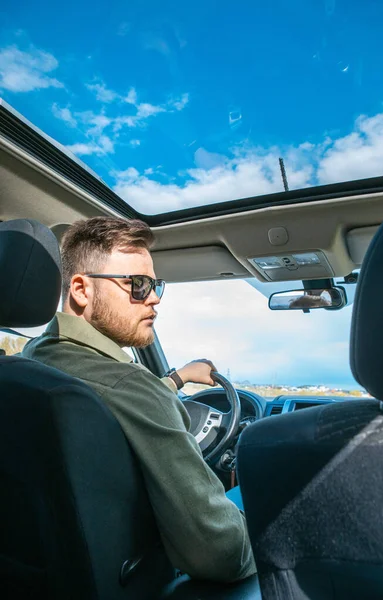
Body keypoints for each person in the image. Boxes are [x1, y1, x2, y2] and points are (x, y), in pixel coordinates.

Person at [22, 216, 256, 583]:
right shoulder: (133, 389)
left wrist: (177, 379)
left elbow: (117, 399)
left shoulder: (32, 359)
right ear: (82, 290)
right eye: (138, 285)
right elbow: (221, 553)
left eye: (155, 285)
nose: (154, 299)